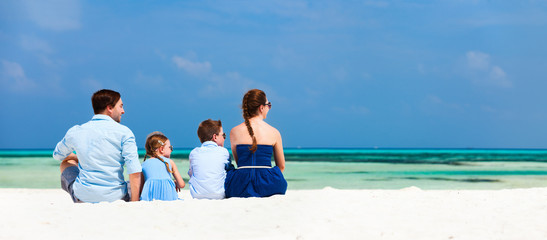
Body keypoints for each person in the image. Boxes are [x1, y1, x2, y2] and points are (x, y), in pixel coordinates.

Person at [53, 89, 142, 203]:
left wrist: (77, 157)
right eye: (120, 106)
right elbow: (133, 168)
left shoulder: (76, 131)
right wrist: (134, 202)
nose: (123, 111)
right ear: (109, 108)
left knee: (66, 163)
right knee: (140, 174)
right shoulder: (125, 132)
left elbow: (57, 155)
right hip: (115, 198)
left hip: (83, 198)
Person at [224, 89, 288, 198]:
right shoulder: (274, 132)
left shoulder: (234, 131)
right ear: (261, 108)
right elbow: (281, 166)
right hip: (268, 184)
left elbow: (240, 163)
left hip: (240, 185)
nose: (269, 108)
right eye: (269, 105)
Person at [188, 119, 231, 199]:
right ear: (215, 137)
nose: (224, 138)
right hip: (220, 194)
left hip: (197, 195)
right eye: (223, 135)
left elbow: (191, 173)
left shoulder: (194, 153)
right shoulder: (224, 152)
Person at [140, 132, 185, 201]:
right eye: (170, 147)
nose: (171, 150)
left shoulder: (143, 164)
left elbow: (141, 187)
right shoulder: (170, 162)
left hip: (150, 199)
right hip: (169, 198)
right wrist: (176, 183)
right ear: (161, 149)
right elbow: (182, 185)